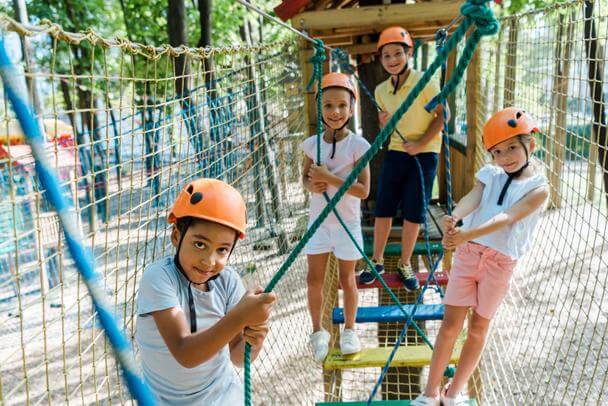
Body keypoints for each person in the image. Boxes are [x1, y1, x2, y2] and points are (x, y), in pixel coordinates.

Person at [411, 108, 549, 405]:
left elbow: (508, 217)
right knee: (450, 325)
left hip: (500, 263)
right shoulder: (491, 174)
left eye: (512, 147)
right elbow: (474, 197)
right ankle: (429, 393)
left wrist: (467, 234)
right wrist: (456, 216)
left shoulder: (539, 189)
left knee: (478, 329)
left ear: (531, 145)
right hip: (469, 255)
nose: (505, 156)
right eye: (498, 151)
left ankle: (453, 393)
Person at [135, 178, 277, 404]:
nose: (209, 261)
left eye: (222, 250)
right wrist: (240, 316)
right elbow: (185, 352)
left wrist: (256, 338)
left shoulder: (228, 281)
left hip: (221, 395)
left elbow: (238, 357)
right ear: (176, 236)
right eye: (199, 244)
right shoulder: (159, 279)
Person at [358, 26, 447, 291]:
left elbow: (443, 115)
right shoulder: (381, 90)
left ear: (408, 53)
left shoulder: (424, 81)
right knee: (384, 205)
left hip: (426, 152)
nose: (393, 59)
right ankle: (377, 260)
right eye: (387, 55)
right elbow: (388, 130)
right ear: (380, 59)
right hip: (397, 150)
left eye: (398, 53)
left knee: (413, 210)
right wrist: (384, 123)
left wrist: (420, 143)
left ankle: (405, 262)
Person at [301, 72, 371, 362]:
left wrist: (328, 177)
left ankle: (350, 330)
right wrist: (311, 184)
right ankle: (318, 332)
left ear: (351, 108)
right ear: (321, 108)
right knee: (313, 280)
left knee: (347, 279)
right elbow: (304, 179)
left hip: (347, 224)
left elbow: (363, 190)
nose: (335, 112)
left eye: (342, 106)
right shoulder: (311, 144)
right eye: (328, 106)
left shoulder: (359, 146)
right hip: (320, 224)